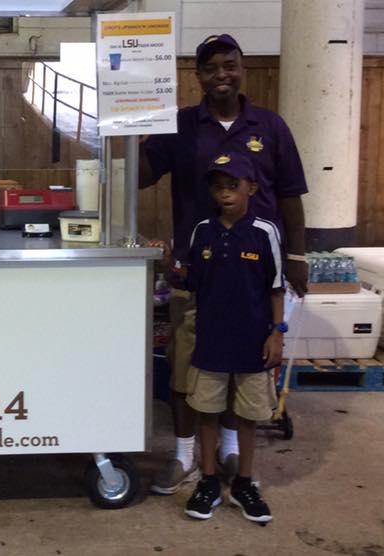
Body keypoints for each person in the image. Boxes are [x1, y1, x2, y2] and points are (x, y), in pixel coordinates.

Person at [140, 33, 308, 495]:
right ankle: (184, 455)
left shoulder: (270, 126)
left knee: (245, 364)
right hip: (196, 273)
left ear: (242, 69)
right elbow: (139, 177)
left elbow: (291, 195)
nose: (221, 75)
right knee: (185, 366)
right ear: (198, 76)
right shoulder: (179, 125)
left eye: (229, 65)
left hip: (254, 276)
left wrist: (296, 256)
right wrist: (128, 125)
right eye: (211, 68)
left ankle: (231, 449)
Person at [178, 152, 285, 522]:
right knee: (206, 413)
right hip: (211, 341)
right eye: (218, 187)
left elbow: (275, 288)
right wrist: (167, 265)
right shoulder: (202, 230)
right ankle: (207, 480)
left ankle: (244, 482)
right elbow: (192, 283)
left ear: (251, 188)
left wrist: (277, 333)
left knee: (248, 416)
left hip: (252, 342)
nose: (225, 194)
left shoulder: (265, 232)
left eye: (233, 186)